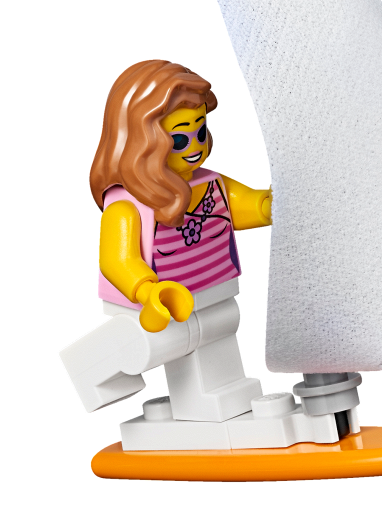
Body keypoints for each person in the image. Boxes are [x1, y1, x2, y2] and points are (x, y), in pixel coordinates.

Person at [60, 60, 272, 423]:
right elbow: (117, 260)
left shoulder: (208, 183)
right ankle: (194, 411)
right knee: (159, 345)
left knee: (219, 335)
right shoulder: (127, 206)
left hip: (215, 291)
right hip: (161, 308)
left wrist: (272, 205)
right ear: (142, 141)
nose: (195, 146)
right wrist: (147, 291)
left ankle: (223, 403)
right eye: (179, 138)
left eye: (200, 131)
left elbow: (246, 205)